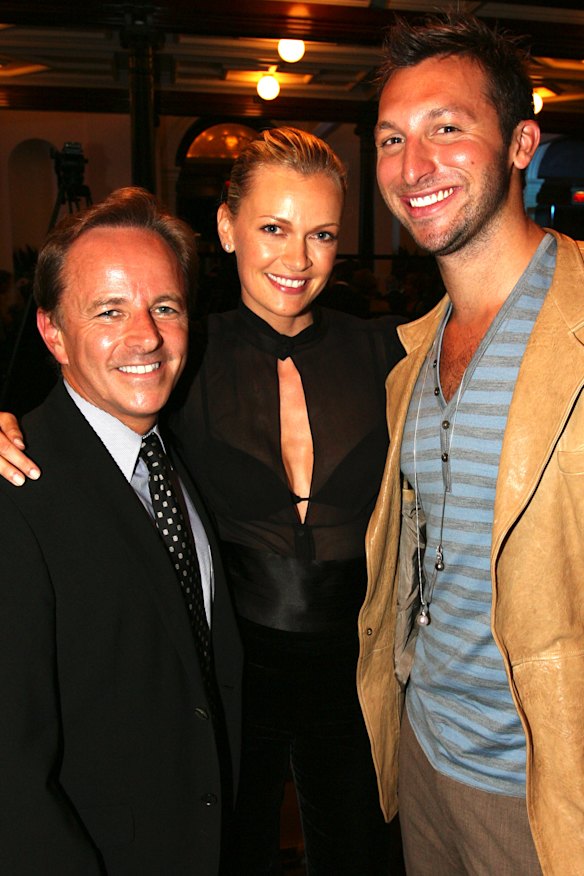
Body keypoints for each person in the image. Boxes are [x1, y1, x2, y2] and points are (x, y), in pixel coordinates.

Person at [0, 129, 405, 875]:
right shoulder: (184, 355)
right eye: (274, 229)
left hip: (355, 676)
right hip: (233, 674)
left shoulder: (385, 352)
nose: (297, 258)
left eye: (320, 234)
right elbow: (69, 393)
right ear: (227, 229)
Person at [356, 13, 584, 876]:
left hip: (544, 790)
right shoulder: (411, 357)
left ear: (521, 142)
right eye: (390, 139)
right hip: (423, 755)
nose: (414, 167)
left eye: (447, 128)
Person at [0, 188, 242, 875]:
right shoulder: (17, 492)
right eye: (109, 311)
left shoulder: (177, 453)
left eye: (164, 306)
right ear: (52, 332)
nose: (147, 335)